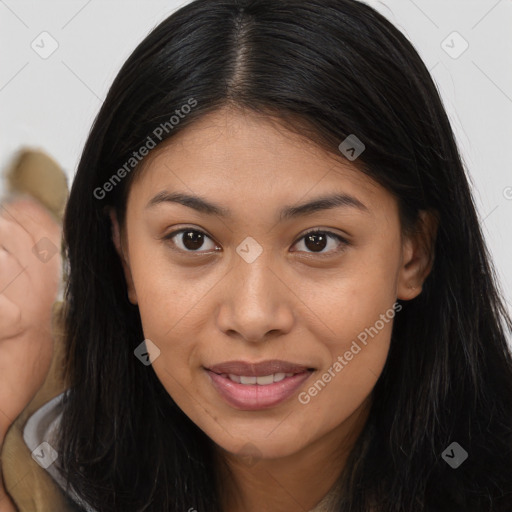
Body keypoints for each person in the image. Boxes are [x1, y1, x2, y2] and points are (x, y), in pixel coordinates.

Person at [2, 0, 512, 510]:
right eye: (192, 239)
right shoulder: (30, 436)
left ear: (413, 255)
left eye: (318, 241)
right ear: (125, 255)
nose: (252, 316)